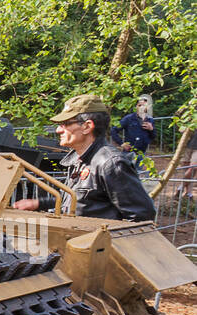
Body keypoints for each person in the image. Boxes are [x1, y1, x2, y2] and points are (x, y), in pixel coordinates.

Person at [13, 94, 155, 222]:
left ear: (87, 126)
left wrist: (101, 244)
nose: (58, 130)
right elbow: (79, 202)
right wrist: (38, 204)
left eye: (65, 124)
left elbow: (142, 215)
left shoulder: (111, 163)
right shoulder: (79, 159)